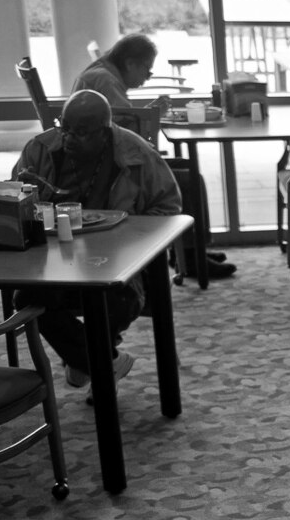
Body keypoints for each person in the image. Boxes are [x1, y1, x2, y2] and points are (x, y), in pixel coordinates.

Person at [11, 89, 182, 389]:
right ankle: (103, 362)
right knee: (26, 298)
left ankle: (82, 359)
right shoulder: (40, 150)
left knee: (119, 299)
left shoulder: (136, 153)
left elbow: (169, 208)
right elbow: (10, 206)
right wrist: (28, 195)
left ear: (104, 131)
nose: (67, 138)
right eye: (64, 128)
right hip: (54, 259)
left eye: (79, 133)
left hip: (118, 260)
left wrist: (126, 235)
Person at [75, 33, 235, 279]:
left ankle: (189, 249)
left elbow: (120, 123)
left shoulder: (100, 73)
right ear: (130, 63)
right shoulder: (106, 81)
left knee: (187, 170)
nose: (146, 78)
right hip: (113, 172)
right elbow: (126, 135)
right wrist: (153, 115)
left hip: (103, 164)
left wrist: (149, 114)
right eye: (147, 71)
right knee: (190, 179)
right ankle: (191, 257)